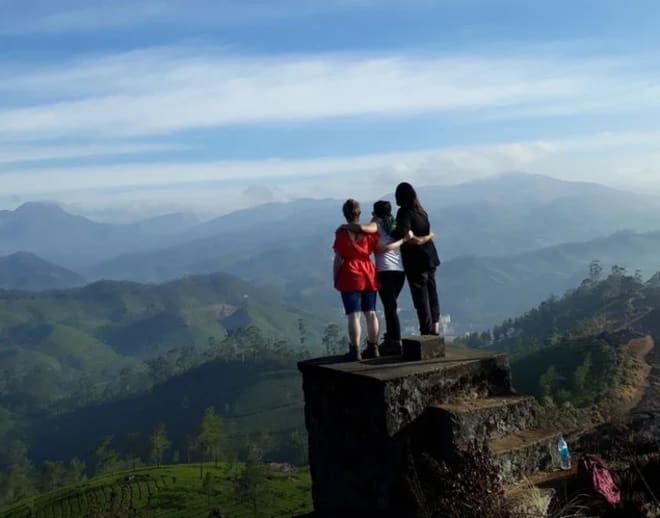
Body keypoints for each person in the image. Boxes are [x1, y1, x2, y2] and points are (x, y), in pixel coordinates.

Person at [341, 201, 434, 354]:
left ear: (376, 213)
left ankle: (394, 341)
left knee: (390, 308)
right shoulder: (396, 225)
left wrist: (345, 227)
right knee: (390, 306)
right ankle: (391, 338)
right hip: (400, 271)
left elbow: (376, 243)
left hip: (385, 271)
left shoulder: (376, 226)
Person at [333, 199, 381, 361]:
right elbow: (377, 247)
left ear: (345, 215)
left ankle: (355, 350)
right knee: (371, 312)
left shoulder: (341, 233)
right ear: (359, 214)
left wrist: (336, 277)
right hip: (368, 271)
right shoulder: (369, 232)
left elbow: (339, 258)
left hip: (350, 273)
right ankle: (373, 347)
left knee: (354, 315)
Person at [391, 182, 441, 336]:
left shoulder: (404, 213)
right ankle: (435, 327)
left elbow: (408, 237)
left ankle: (426, 331)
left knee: (421, 297)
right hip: (430, 257)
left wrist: (394, 232)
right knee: (432, 292)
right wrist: (430, 236)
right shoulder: (421, 212)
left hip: (415, 260)